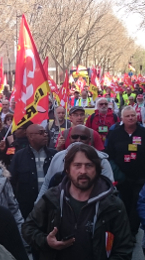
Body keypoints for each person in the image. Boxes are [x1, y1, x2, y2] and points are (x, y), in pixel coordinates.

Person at [22, 143, 133, 260]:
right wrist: (46, 241)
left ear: (97, 169)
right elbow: (28, 228)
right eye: (77, 165)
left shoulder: (112, 205)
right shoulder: (52, 198)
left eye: (89, 165)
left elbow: (124, 249)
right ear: (67, 169)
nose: (83, 171)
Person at [37, 125, 115, 202]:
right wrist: (38, 204)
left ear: (89, 140)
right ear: (69, 138)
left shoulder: (101, 160)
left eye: (83, 138)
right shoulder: (58, 157)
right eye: (75, 137)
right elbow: (46, 184)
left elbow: (110, 188)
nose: (78, 140)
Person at [106, 105, 145, 235]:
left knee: (136, 206)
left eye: (133, 115)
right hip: (121, 179)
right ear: (122, 118)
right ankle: (122, 232)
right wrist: (116, 172)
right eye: (127, 116)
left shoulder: (143, 132)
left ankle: (132, 233)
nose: (130, 118)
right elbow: (109, 154)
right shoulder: (115, 133)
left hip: (140, 178)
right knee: (123, 205)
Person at [10, 124, 56, 219]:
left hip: (51, 205)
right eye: (41, 133)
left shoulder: (54, 155)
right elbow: (12, 182)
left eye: (45, 132)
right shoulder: (19, 156)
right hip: (27, 207)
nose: (45, 135)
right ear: (30, 136)